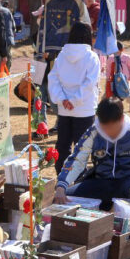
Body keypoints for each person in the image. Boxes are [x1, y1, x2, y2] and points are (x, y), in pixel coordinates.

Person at [54, 98, 130, 211]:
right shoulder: (93, 131)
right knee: (67, 196)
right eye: (103, 128)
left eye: (111, 128)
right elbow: (77, 160)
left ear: (121, 119)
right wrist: (61, 186)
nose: (107, 133)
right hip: (100, 181)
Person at [47, 22, 100, 174]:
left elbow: (54, 79)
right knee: (82, 147)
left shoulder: (62, 56)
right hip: (84, 109)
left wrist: (62, 99)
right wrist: (75, 100)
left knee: (62, 145)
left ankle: (61, 175)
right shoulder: (91, 57)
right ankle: (78, 178)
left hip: (64, 109)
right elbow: (90, 83)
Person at [105, 41, 130, 112]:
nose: (118, 52)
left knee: (127, 93)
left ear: (122, 49)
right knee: (114, 93)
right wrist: (108, 78)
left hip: (125, 79)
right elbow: (108, 69)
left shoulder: (126, 57)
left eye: (120, 50)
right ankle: (116, 107)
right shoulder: (111, 58)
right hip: (114, 80)